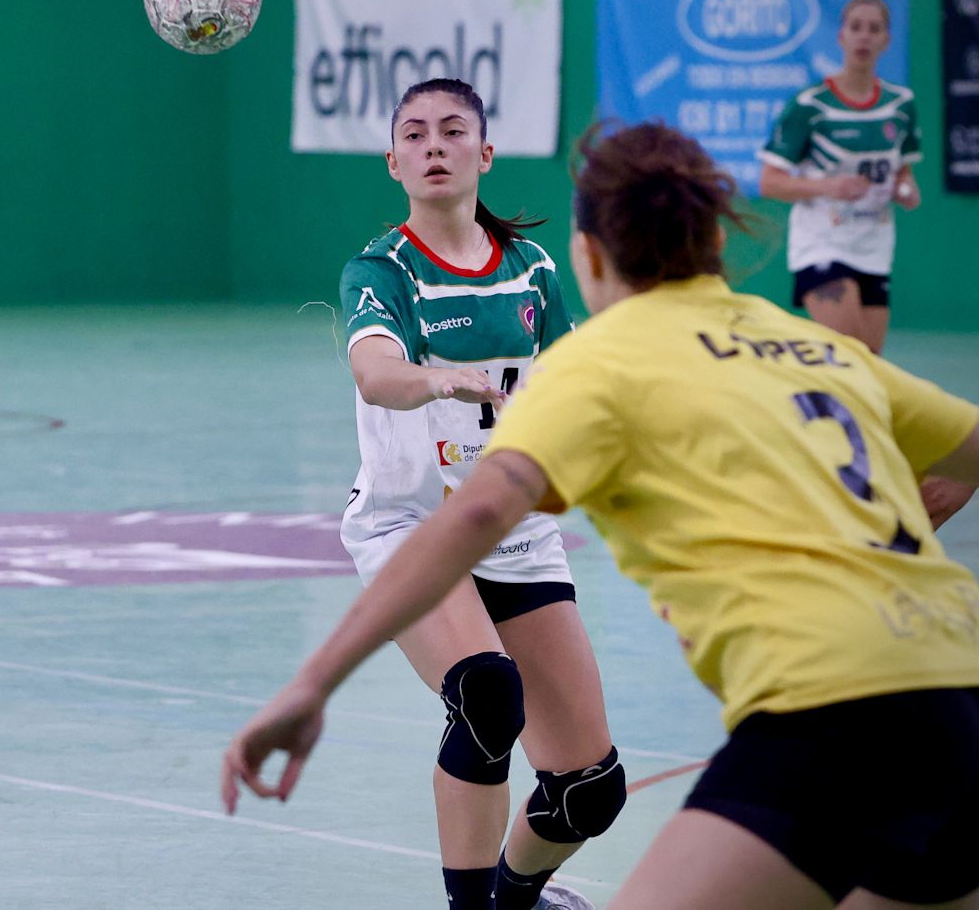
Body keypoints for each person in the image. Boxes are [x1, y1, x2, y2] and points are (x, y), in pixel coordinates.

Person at [223, 120, 979, 909]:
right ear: (717, 241)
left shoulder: (599, 366)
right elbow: (964, 458)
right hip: (961, 691)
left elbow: (475, 518)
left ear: (585, 255)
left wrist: (313, 683)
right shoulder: (818, 347)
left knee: (597, 783)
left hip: (828, 713)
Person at [335, 77, 621, 910]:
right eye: (415, 133)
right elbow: (374, 371)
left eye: (453, 130)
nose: (434, 144)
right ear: (393, 162)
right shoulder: (383, 270)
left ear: (485, 153)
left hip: (514, 532)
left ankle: (513, 896)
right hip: (411, 527)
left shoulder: (532, 269)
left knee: (588, 788)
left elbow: (573, 387)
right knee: (488, 697)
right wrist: (431, 379)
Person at [755, 0, 973, 529]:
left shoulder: (900, 105)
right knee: (849, 359)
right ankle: (816, 471)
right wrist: (829, 186)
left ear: (886, 39)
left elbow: (903, 173)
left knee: (866, 367)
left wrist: (905, 189)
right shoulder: (811, 105)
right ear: (841, 35)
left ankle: (856, 478)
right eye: (855, 26)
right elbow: (770, 181)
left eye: (875, 28)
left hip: (874, 247)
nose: (864, 36)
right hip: (822, 246)